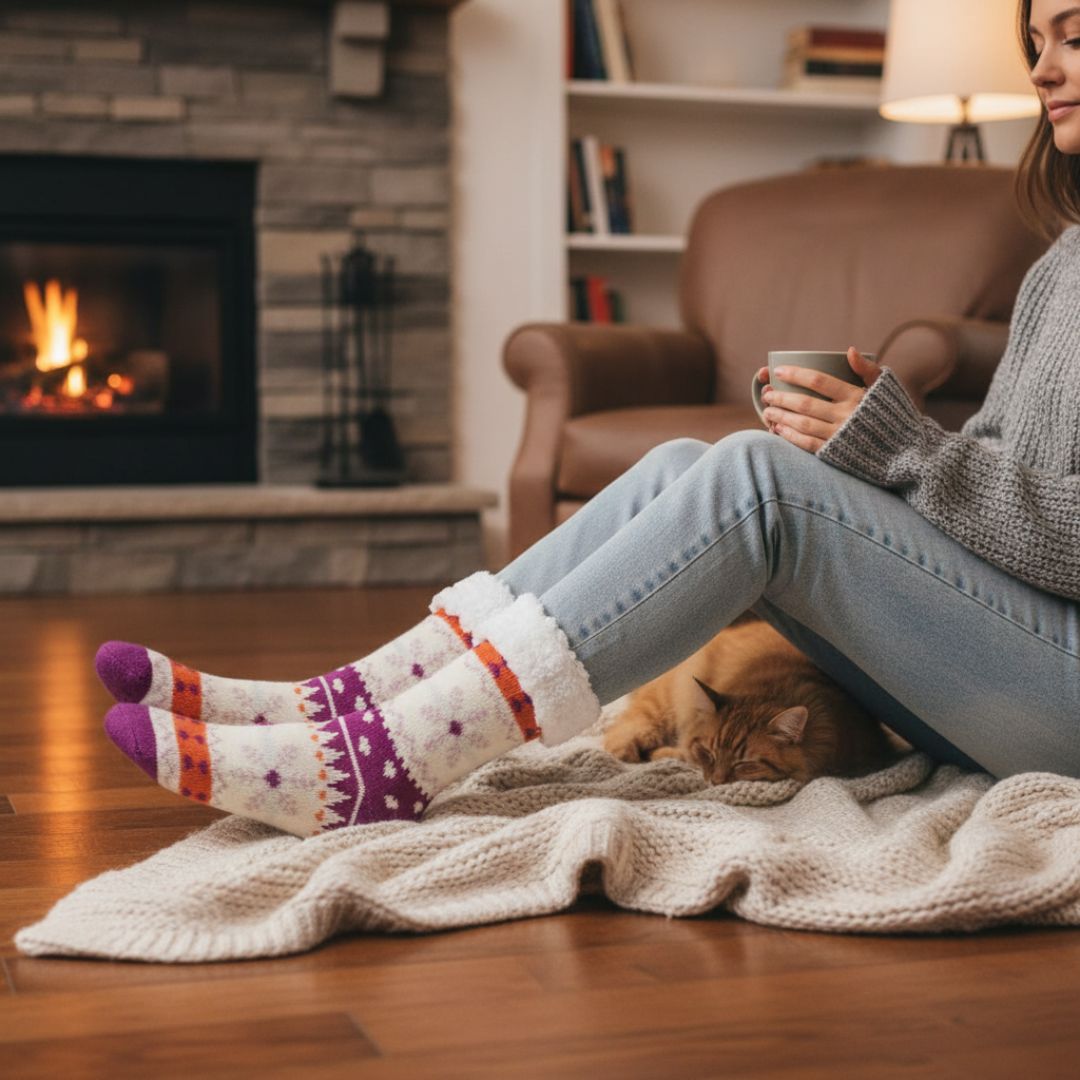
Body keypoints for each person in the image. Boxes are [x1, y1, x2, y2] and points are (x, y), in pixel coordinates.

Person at [98, 0, 1079, 838]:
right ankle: (349, 704)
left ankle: (393, 759)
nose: (1042, 66)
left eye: (1072, 34)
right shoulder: (1058, 267)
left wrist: (907, 452)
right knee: (684, 465)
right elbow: (988, 478)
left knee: (750, 481)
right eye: (1034, 39)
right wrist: (875, 451)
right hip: (1014, 652)